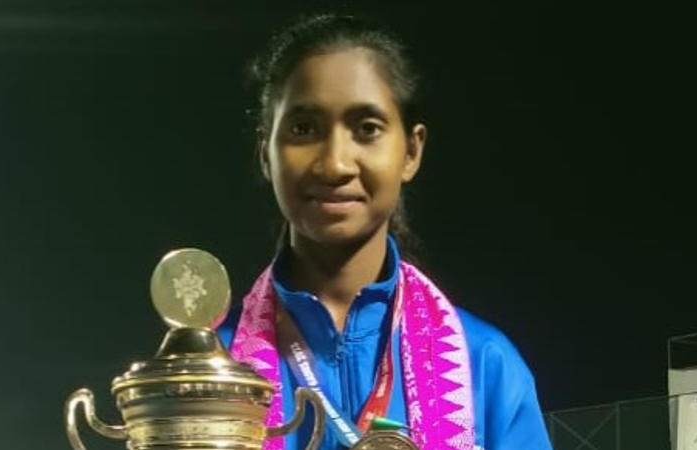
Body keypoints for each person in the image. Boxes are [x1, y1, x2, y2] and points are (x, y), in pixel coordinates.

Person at [217, 13, 552, 450]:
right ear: (267, 153)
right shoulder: (213, 371)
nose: (335, 163)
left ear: (411, 151)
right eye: (304, 129)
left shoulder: (484, 366)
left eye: (367, 129)